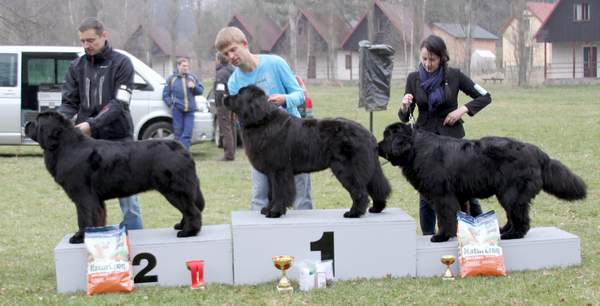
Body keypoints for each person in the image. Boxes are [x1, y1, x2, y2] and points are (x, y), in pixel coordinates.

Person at [398, 34, 491, 235]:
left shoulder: (455, 76)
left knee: (466, 190)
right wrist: (404, 106)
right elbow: (405, 117)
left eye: (432, 59)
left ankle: (480, 235)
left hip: (453, 146)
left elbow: (485, 96)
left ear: (442, 58)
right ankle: (429, 236)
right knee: (426, 194)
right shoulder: (413, 79)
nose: (427, 63)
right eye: (424, 59)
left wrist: (462, 110)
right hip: (423, 146)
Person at [214, 26, 313, 211]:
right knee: (260, 197)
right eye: (226, 54)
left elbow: (300, 94)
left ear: (245, 44)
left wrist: (284, 99)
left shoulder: (275, 63)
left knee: (302, 197)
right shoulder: (234, 82)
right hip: (260, 145)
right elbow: (241, 117)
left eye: (233, 49)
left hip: (294, 139)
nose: (231, 56)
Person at [58, 17, 143, 230]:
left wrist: (91, 125)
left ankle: (135, 235)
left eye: (91, 40)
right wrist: (60, 122)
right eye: (82, 41)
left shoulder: (122, 63)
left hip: (119, 137)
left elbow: (119, 104)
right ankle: (96, 236)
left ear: (104, 35)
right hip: (87, 143)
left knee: (128, 196)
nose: (87, 45)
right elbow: (69, 102)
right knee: (88, 193)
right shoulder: (76, 66)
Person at [162, 57, 204, 150]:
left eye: (187, 66)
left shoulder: (192, 77)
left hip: (190, 111)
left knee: (187, 133)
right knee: (178, 133)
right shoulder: (171, 79)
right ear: (178, 66)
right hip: (177, 110)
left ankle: (183, 153)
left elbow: (200, 91)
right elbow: (165, 94)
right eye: (184, 66)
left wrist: (194, 87)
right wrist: (171, 104)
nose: (186, 68)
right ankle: (178, 154)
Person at [214, 52, 236, 161]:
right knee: (231, 127)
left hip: (223, 104)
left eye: (216, 59)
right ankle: (232, 152)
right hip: (232, 102)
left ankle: (228, 154)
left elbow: (220, 90)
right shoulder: (233, 70)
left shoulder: (221, 73)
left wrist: (218, 103)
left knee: (226, 127)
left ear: (219, 60)